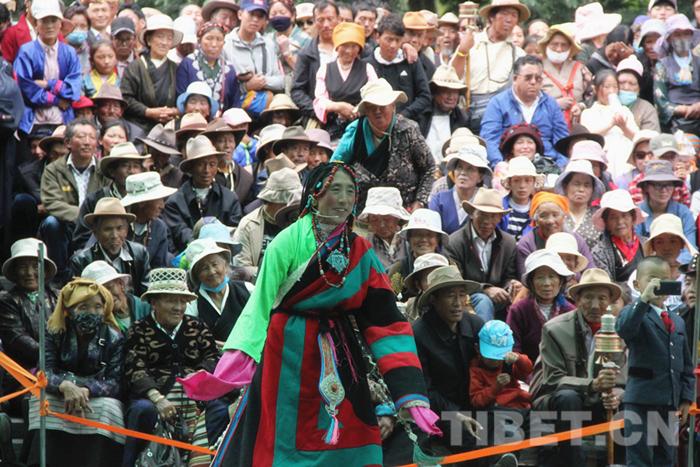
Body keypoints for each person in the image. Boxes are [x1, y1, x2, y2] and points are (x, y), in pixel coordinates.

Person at [179, 162, 439, 465]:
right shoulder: (287, 242)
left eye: (351, 191)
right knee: (283, 441)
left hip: (341, 356)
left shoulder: (359, 251)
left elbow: (386, 321)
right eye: (335, 189)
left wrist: (410, 391)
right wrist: (229, 369)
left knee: (354, 443)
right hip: (286, 353)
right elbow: (259, 305)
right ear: (315, 194)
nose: (344, 199)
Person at [123, 268, 227, 466]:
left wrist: (197, 380)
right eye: (171, 301)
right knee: (143, 410)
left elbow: (213, 358)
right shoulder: (139, 330)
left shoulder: (197, 327)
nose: (178, 307)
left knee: (220, 410)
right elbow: (134, 368)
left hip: (196, 398)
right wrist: (158, 399)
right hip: (155, 397)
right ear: (154, 302)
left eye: (182, 301)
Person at [26, 278, 125, 467]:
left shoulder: (114, 338)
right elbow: (44, 372)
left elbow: (115, 382)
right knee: (41, 401)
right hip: (61, 391)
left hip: (94, 395)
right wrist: (64, 386)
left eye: (97, 307)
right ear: (69, 310)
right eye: (83, 307)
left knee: (109, 408)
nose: (92, 312)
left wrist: (86, 390)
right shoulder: (54, 331)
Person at [530, 268, 624, 466]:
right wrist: (592, 385)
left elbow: (624, 378)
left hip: (599, 401)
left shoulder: (620, 331)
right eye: (588, 298)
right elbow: (553, 379)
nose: (595, 305)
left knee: (627, 403)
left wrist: (616, 394)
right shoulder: (554, 329)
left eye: (602, 298)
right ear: (578, 299)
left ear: (610, 301)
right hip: (558, 399)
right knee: (568, 397)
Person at [617, 256, 694, 466]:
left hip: (669, 402)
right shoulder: (634, 313)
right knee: (639, 457)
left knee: (666, 457)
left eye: (665, 279)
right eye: (652, 279)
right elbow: (625, 329)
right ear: (637, 284)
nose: (659, 284)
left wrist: (686, 398)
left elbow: (685, 364)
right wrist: (643, 300)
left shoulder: (677, 320)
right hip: (640, 401)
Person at [411, 265, 485, 457]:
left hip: (477, 403)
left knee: (515, 421)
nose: (458, 303)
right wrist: (455, 413)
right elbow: (424, 388)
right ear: (434, 299)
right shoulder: (419, 333)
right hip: (441, 411)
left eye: (462, 295)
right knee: (470, 438)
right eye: (450, 296)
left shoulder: (475, 324)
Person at [331, 78, 435, 211]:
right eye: (372, 107)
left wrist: (419, 202)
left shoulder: (408, 130)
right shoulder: (354, 132)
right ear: (365, 111)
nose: (377, 111)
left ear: (393, 106)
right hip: (364, 213)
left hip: (404, 211)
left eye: (382, 106)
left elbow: (429, 167)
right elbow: (334, 169)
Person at [40, 119, 109, 281]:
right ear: (68, 142)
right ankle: (60, 276)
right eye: (81, 136)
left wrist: (92, 219)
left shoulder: (104, 170)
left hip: (95, 225)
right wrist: (83, 216)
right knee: (51, 223)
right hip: (66, 224)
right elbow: (51, 202)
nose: (87, 142)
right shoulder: (53, 169)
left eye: (91, 137)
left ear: (97, 142)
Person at [445, 188, 521, 323]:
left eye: (493, 216)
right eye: (482, 214)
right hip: (468, 296)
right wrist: (485, 289)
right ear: (472, 214)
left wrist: (511, 285)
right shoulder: (455, 242)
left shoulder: (508, 242)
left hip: (499, 297)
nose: (486, 221)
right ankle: (484, 336)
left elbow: (509, 276)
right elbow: (456, 281)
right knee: (483, 301)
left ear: (500, 218)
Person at [450, 0, 528, 132]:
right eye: (504, 14)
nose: (509, 19)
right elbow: (452, 77)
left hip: (506, 121)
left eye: (514, 15)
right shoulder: (471, 43)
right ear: (491, 17)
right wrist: (462, 51)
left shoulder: (519, 54)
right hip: (472, 117)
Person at [0, 238, 58, 413]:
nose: (29, 273)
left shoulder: (58, 296)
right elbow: (17, 337)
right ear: (15, 271)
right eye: (23, 267)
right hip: (22, 374)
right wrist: (51, 355)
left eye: (35, 266)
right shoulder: (7, 300)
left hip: (56, 370)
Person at [480, 55, 569, 168]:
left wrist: (560, 167)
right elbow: (489, 140)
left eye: (538, 78)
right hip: (509, 166)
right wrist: (499, 164)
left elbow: (562, 142)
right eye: (528, 78)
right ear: (515, 79)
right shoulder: (498, 103)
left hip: (547, 165)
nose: (533, 82)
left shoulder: (551, 104)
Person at [163, 135, 243, 252]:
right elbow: (181, 233)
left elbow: (234, 232)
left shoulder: (230, 199)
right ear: (191, 168)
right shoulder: (175, 202)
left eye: (212, 164)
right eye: (200, 164)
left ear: (217, 167)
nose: (206, 170)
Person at [15, 0, 82, 136]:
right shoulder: (26, 52)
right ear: (36, 24)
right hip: (32, 122)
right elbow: (25, 87)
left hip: (63, 121)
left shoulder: (69, 52)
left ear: (60, 23)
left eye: (54, 20)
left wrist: (47, 84)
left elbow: (73, 89)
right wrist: (56, 100)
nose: (50, 26)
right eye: (44, 21)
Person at [71, 141, 147, 253]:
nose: (131, 171)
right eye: (125, 166)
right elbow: (81, 238)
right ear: (112, 172)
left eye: (136, 166)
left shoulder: (146, 200)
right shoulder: (95, 199)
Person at [69, 197, 151, 295]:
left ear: (126, 230)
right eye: (107, 229)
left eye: (119, 228)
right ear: (95, 232)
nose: (114, 236)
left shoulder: (140, 254)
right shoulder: (81, 261)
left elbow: (146, 294)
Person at [232, 166, 302, 281]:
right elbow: (241, 268)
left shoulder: (300, 221)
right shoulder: (249, 224)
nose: (290, 207)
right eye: (285, 203)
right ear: (271, 201)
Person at [506, 249, 575, 365]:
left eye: (552, 276)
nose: (546, 283)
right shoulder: (519, 310)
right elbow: (513, 350)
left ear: (560, 281)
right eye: (540, 277)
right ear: (531, 282)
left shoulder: (570, 312)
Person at [313, 21, 376, 140]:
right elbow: (320, 100)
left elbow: (374, 95)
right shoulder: (325, 69)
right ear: (337, 47)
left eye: (354, 46)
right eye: (345, 45)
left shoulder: (367, 69)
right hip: (333, 128)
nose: (349, 51)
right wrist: (338, 106)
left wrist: (356, 110)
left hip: (361, 127)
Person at [365, 14, 431, 123]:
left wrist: (404, 115)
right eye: (389, 39)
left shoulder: (411, 61)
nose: (393, 45)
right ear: (377, 37)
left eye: (397, 40)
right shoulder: (368, 64)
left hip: (407, 123)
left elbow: (425, 96)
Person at [223, 0, 284, 118]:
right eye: (251, 14)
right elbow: (224, 87)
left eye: (260, 16)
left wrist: (262, 81)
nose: (255, 19)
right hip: (236, 111)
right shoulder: (226, 45)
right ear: (240, 14)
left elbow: (281, 82)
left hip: (267, 109)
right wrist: (246, 87)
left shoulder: (268, 44)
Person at [121, 14, 181, 130]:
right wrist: (148, 112)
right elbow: (126, 98)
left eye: (169, 38)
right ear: (149, 40)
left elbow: (182, 99)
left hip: (168, 127)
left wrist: (172, 111)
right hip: (138, 126)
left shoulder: (175, 68)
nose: (164, 42)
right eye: (160, 37)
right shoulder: (135, 67)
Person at [183, 238, 250, 342]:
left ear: (225, 265)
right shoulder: (193, 304)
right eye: (204, 268)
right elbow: (191, 337)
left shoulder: (247, 289)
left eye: (215, 264)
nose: (212, 271)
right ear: (197, 275)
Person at [516, 191, 595, 277]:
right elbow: (526, 277)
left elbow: (591, 272)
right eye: (543, 216)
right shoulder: (527, 243)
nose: (550, 221)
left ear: (563, 217)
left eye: (555, 215)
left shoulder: (576, 239)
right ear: (536, 221)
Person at [291, 1, 341, 124]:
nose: (326, 25)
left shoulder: (352, 49)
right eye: (320, 20)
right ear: (314, 21)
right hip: (319, 117)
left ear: (339, 19)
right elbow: (297, 91)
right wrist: (318, 110)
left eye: (330, 19)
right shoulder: (306, 54)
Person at [176, 21, 239, 113]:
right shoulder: (188, 64)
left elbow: (234, 102)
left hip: (222, 120)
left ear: (224, 43)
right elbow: (180, 96)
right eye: (209, 38)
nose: (214, 44)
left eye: (219, 39)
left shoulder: (229, 69)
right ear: (199, 41)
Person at [635, 160, 696, 253]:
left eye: (668, 185)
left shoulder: (683, 212)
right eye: (657, 185)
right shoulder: (637, 213)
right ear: (646, 187)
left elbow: (690, 249)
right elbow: (636, 249)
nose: (663, 190)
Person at [470, 320, 532, 410]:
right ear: (477, 349)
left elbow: (527, 370)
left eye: (499, 355)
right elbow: (476, 401)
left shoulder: (507, 361)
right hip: (497, 410)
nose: (496, 360)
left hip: (520, 404)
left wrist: (519, 358)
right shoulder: (476, 371)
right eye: (491, 356)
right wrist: (496, 387)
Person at [429, 144, 491, 235]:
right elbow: (432, 234)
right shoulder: (438, 200)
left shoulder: (486, 204)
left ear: (480, 177)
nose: (463, 173)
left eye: (470, 169)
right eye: (459, 167)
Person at [654, 14, 700, 136]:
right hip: (676, 121)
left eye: (686, 34)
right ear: (669, 38)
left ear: (691, 36)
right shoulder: (662, 65)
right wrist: (684, 109)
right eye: (677, 34)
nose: (682, 38)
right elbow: (660, 102)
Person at [120, 171, 176, 269]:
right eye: (159, 200)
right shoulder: (118, 224)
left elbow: (159, 267)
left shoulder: (159, 227)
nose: (162, 206)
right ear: (142, 203)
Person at [591, 189, 647, 282]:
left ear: (633, 218)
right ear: (606, 223)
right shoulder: (599, 252)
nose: (620, 222)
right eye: (613, 217)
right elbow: (605, 285)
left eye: (624, 215)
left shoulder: (647, 244)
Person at [417, 65, 469, 162]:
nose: (451, 97)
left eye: (455, 92)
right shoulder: (420, 115)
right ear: (435, 92)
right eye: (445, 91)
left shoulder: (461, 119)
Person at [80, 260, 150, 333]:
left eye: (109, 287)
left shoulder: (146, 308)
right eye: (100, 293)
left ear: (121, 284)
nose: (108, 296)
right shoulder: (99, 322)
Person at [538, 23, 587, 126]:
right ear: (547, 45)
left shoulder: (580, 68)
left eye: (563, 45)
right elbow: (526, 100)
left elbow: (591, 97)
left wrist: (580, 106)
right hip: (545, 122)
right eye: (554, 44)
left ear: (570, 48)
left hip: (577, 124)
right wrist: (554, 104)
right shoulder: (536, 68)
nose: (559, 49)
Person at [554, 159, 604, 251]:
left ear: (592, 189)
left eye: (587, 185)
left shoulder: (599, 216)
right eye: (576, 184)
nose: (581, 189)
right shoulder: (555, 213)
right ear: (565, 186)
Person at [358, 187, 409, 270]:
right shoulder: (364, 244)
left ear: (397, 218)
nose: (381, 225)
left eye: (387, 218)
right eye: (374, 219)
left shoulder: (409, 240)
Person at [266, 0, 311, 92]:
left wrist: (287, 54)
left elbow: (308, 72)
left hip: (298, 89)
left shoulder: (306, 40)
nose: (278, 16)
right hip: (270, 88)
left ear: (293, 16)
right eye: (273, 14)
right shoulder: (267, 40)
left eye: (282, 13)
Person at [497, 156, 542, 241]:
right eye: (516, 180)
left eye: (527, 180)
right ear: (509, 183)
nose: (522, 186)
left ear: (534, 183)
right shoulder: (499, 207)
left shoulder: (539, 209)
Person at [616, 55, 661, 131]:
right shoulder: (606, 103)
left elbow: (650, 136)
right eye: (622, 82)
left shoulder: (647, 109)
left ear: (639, 88)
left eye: (632, 84)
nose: (626, 87)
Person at [137, 123, 183, 189]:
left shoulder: (176, 176)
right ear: (147, 148)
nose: (159, 158)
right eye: (156, 153)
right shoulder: (135, 166)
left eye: (164, 155)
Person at [635, 18, 665, 104]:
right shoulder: (637, 64)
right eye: (649, 42)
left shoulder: (674, 63)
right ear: (643, 45)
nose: (653, 47)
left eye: (658, 41)